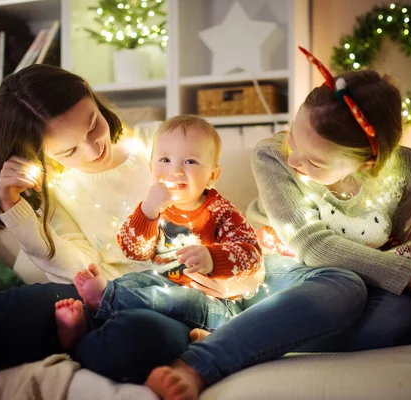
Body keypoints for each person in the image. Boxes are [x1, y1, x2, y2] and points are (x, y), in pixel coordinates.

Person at [144, 47, 411, 399]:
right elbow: (310, 244)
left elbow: (388, 242)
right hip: (272, 264)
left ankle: (239, 328)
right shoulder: (271, 156)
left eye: (315, 161)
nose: (293, 160)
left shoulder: (406, 173)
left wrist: (399, 272)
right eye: (293, 136)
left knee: (402, 316)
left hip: (337, 282)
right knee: (343, 287)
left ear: (368, 164)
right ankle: (199, 363)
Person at [0, 64, 262, 383]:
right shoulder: (56, 187)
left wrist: (224, 280)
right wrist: (14, 208)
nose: (95, 149)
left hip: (169, 298)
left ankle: (79, 342)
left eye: (93, 125)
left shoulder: (163, 146)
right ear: (39, 153)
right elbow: (78, 270)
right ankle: (84, 338)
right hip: (97, 292)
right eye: (69, 149)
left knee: (129, 339)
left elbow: (236, 243)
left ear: (92, 97)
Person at [53, 115, 263, 351]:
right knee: (134, 282)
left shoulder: (221, 212)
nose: (175, 170)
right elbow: (134, 250)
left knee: (182, 299)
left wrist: (213, 258)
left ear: (212, 176)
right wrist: (148, 211)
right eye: (165, 159)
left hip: (213, 302)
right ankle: (83, 328)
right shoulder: (155, 207)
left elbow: (252, 255)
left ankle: (105, 300)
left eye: (190, 162)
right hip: (162, 286)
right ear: (152, 167)